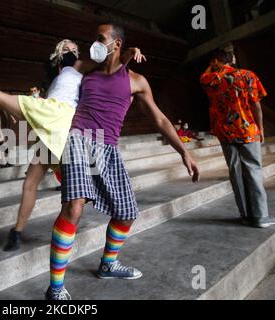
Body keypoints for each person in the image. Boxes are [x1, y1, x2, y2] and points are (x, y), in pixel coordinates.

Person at [0, 40, 146, 252]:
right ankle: (17, 232)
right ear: (58, 53)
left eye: (74, 48)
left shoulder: (79, 66)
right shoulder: (55, 78)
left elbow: (109, 64)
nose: (72, 50)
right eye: (67, 47)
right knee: (30, 183)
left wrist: (127, 53)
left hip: (62, 119)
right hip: (53, 125)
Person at [44, 22, 200, 300]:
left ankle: (108, 264)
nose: (95, 42)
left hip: (109, 147)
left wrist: (184, 152)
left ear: (116, 44)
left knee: (127, 213)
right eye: (94, 38)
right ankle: (55, 288)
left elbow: (160, 119)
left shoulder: (136, 81)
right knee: (74, 206)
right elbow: (63, 68)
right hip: (78, 139)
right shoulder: (85, 68)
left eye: (100, 38)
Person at [200, 50, 274, 229]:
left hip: (224, 131)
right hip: (246, 129)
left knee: (235, 171)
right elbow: (256, 105)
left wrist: (213, 65)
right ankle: (260, 217)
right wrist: (261, 128)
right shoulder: (247, 75)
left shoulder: (209, 80)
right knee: (253, 170)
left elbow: (204, 75)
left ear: (215, 61)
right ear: (231, 61)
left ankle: (245, 215)